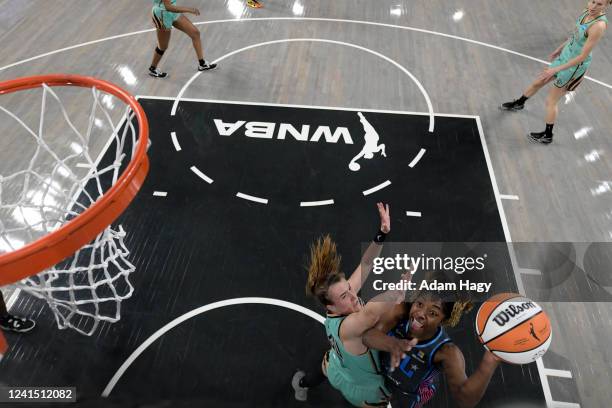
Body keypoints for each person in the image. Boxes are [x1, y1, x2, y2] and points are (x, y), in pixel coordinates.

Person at [292, 203, 415, 407]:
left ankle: (301, 385)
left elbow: (366, 265)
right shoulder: (348, 328)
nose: (353, 295)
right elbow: (371, 313)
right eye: (344, 296)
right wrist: (396, 292)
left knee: (325, 367)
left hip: (337, 368)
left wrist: (381, 234)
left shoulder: (338, 309)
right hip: (365, 393)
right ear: (330, 307)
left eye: (349, 288)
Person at [363, 291, 499, 408]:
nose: (420, 314)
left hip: (410, 393)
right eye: (419, 304)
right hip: (381, 376)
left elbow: (465, 400)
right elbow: (367, 337)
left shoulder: (447, 352)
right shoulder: (400, 311)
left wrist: (488, 362)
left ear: (443, 319)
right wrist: (392, 343)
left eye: (433, 312)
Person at [500, 0, 610, 144]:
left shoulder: (598, 26)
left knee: (551, 101)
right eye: (593, 1)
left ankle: (547, 135)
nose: (594, 6)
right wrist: (560, 48)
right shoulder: (586, 12)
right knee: (538, 82)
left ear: (608, 5)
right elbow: (575, 35)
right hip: (565, 57)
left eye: (599, 4)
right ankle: (519, 103)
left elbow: (582, 56)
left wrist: (555, 69)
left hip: (573, 67)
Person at [149, 0, 217, 78]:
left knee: (195, 33)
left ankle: (202, 64)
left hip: (172, 11)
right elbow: (168, 7)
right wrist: (189, 10)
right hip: (162, 15)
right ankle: (153, 69)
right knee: (163, 46)